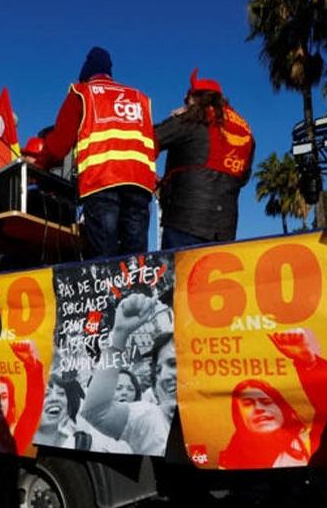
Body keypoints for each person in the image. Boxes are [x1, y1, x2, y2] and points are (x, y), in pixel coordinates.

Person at [25, 47, 157, 259]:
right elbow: (152, 145)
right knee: (135, 260)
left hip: (102, 182)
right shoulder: (139, 98)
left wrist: (37, 168)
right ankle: (135, 291)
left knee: (105, 258)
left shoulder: (82, 93)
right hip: (139, 185)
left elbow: (59, 145)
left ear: (86, 74)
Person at [154, 69, 254, 249]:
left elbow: (149, 138)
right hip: (225, 230)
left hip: (184, 223)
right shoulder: (245, 129)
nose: (184, 104)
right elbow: (244, 177)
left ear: (195, 98)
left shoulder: (193, 118)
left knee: (180, 276)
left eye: (187, 100)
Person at [217, 329, 327, 469]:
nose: (259, 408)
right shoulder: (228, 463)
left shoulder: (309, 443)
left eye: (266, 402)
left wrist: (308, 363)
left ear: (283, 410)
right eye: (248, 404)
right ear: (239, 417)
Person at [80, 294, 175, 455]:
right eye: (158, 370)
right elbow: (96, 411)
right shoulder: (149, 420)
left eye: (174, 364)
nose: (165, 375)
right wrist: (120, 334)